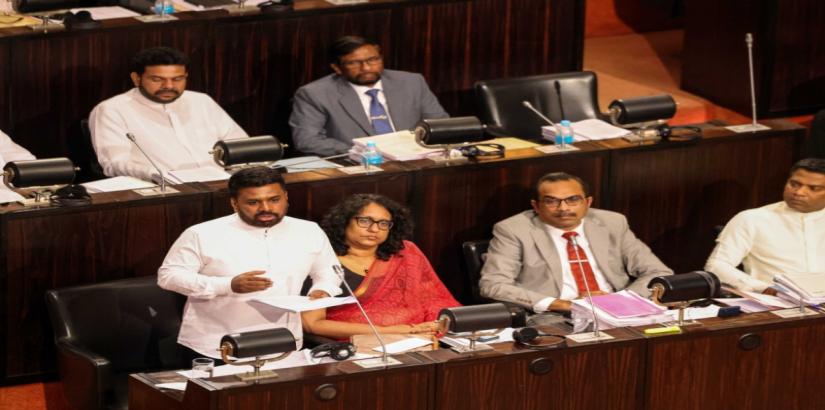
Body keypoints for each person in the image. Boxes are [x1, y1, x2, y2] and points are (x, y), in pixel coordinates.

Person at [158, 167, 341, 359]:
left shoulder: (308, 231)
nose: (266, 208)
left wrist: (323, 289)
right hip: (216, 344)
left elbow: (330, 270)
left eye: (274, 200)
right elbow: (169, 276)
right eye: (253, 202)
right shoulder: (202, 234)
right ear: (234, 203)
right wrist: (227, 285)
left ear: (286, 197)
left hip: (285, 341)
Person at [479, 172, 672, 323]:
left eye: (573, 200)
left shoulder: (612, 222)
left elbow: (658, 272)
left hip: (621, 308)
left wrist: (620, 300)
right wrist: (566, 305)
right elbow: (493, 285)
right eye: (551, 201)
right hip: (557, 316)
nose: (563, 208)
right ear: (536, 206)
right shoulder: (513, 230)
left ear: (587, 202)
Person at [301, 194, 460, 339]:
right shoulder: (322, 261)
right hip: (354, 345)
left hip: (421, 338)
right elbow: (312, 324)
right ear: (344, 222)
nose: (374, 229)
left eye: (383, 223)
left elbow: (434, 300)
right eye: (364, 221)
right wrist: (394, 331)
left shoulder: (405, 253)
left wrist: (433, 328)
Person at [89, 47, 248, 182]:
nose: (169, 86)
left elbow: (240, 145)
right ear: (136, 78)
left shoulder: (201, 101)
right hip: (162, 189)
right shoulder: (112, 110)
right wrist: (156, 175)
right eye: (157, 79)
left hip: (224, 182)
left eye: (177, 79)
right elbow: (115, 164)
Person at [289, 36, 448, 156]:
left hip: (416, 157)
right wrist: (362, 152)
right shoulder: (314, 94)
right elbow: (307, 140)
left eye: (373, 59)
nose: (366, 68)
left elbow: (439, 124)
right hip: (358, 164)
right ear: (337, 68)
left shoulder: (411, 82)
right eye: (353, 63)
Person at [706, 158, 825, 293]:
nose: (799, 192)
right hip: (775, 299)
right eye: (794, 184)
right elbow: (716, 266)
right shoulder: (752, 219)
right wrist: (764, 288)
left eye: (813, 188)